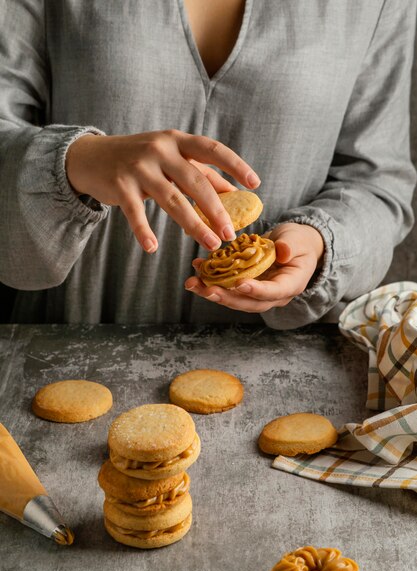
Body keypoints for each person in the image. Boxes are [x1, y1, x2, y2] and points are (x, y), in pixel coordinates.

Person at [0, 0, 416, 327]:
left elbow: (378, 182)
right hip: (64, 341)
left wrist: (320, 243)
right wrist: (77, 160)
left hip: (281, 364)